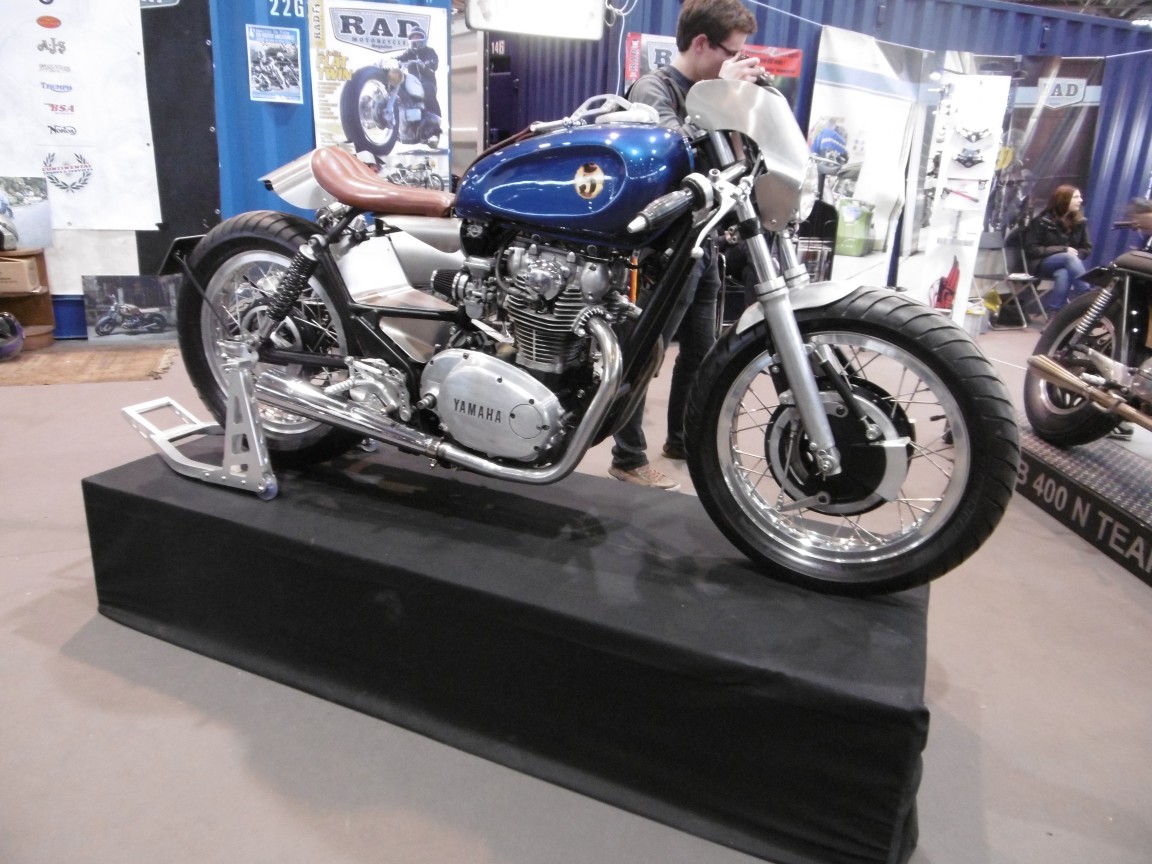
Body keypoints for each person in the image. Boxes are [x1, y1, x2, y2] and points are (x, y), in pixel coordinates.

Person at [607, 0, 764, 489]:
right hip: (667, 250)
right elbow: (675, 153)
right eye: (730, 52)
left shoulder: (708, 92)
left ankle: (680, 438)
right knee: (646, 351)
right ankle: (627, 457)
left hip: (705, 240)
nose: (735, 60)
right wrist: (723, 97)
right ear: (701, 43)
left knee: (699, 353)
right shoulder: (654, 88)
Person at [1022, 185, 1093, 314]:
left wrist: (1076, 255)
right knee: (1068, 257)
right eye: (1076, 197)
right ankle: (1087, 296)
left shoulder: (1080, 222)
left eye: (1080, 197)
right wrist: (1063, 249)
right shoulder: (1041, 222)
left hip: (1068, 264)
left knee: (1063, 273)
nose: (1081, 200)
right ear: (1064, 200)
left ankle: (1054, 313)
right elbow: (1032, 250)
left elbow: (1086, 248)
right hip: (1041, 264)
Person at [397, 27, 442, 146]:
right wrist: (392, 61)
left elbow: (434, 63)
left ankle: (435, 131)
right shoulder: (408, 53)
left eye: (418, 36)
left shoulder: (430, 51)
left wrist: (426, 64)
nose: (416, 39)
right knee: (400, 91)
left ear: (423, 39)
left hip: (427, 81)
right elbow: (398, 58)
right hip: (413, 83)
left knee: (428, 90)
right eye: (413, 37)